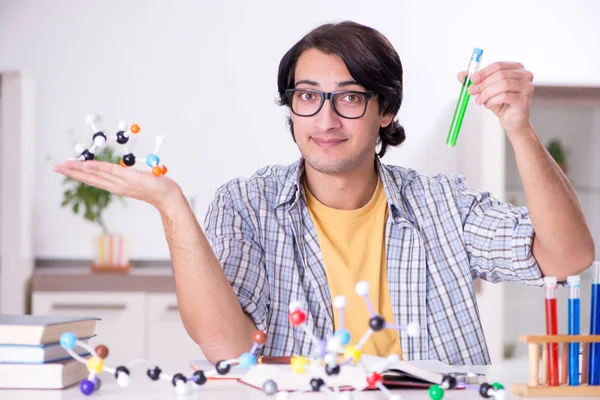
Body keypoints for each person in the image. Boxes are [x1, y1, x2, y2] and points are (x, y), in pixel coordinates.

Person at [54, 21, 594, 365]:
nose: (326, 119)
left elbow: (569, 256)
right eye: (308, 96)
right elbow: (227, 347)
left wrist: (519, 128)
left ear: (386, 111)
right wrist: (172, 205)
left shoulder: (443, 204)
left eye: (350, 98)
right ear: (291, 107)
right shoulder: (246, 204)